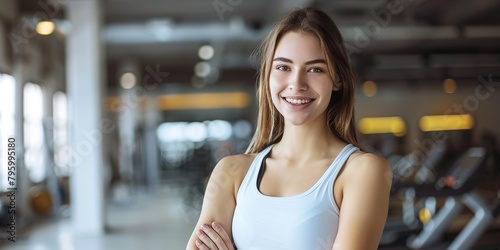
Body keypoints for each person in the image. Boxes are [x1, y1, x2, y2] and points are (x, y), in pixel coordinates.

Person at [186, 7, 392, 250]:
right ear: (268, 76)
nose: (296, 84)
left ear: (337, 79)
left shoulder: (362, 172)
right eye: (283, 67)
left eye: (315, 69)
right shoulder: (231, 173)